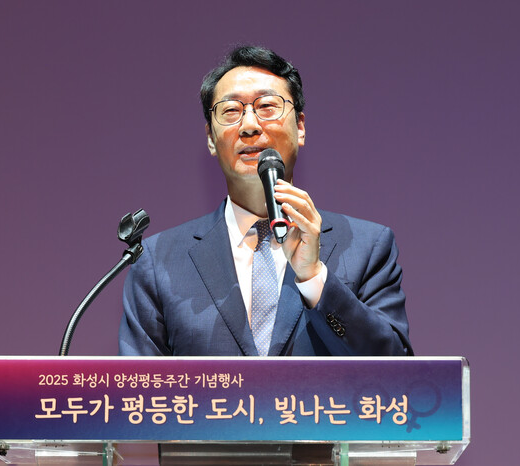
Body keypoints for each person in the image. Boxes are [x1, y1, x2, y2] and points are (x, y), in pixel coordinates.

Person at [119, 46, 412, 357]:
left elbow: (396, 368)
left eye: (267, 106)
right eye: (230, 111)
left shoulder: (367, 247)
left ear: (300, 127)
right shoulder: (157, 262)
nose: (249, 125)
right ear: (210, 139)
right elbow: (140, 384)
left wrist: (314, 278)